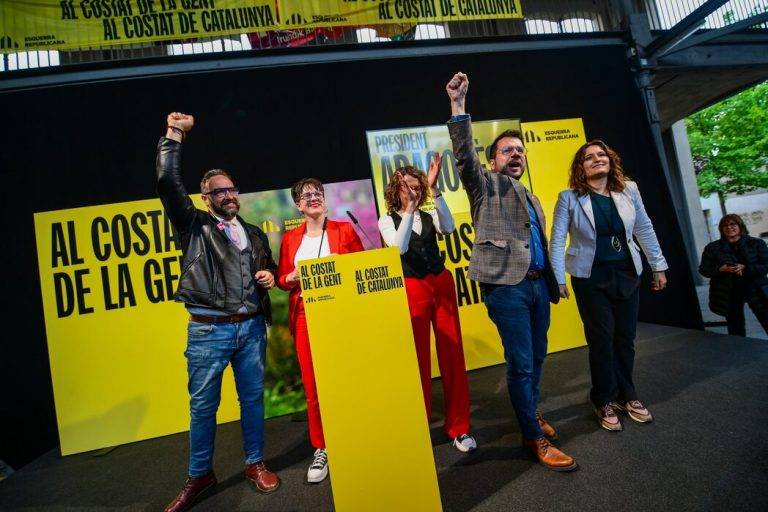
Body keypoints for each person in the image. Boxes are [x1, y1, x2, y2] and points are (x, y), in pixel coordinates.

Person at [445, 72, 576, 471]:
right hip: (508, 289)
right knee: (520, 362)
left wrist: (558, 279)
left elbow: (542, 242)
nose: (515, 154)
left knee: (536, 358)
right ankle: (533, 437)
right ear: (493, 160)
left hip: (539, 287)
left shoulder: (533, 197)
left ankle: (530, 412)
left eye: (520, 150)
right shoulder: (485, 186)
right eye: (506, 151)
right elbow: (465, 156)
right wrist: (458, 106)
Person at [157, 113, 281, 512]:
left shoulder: (255, 232)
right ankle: (199, 476)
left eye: (231, 189)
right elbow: (166, 183)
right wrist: (174, 136)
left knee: (253, 400)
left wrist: (270, 276)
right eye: (219, 191)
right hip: (208, 333)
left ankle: (254, 463)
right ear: (205, 197)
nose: (228, 195)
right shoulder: (192, 225)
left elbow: (272, 271)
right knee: (203, 408)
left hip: (251, 331)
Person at [549, 139, 668, 432]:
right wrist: (558, 277)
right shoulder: (569, 197)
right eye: (589, 157)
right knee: (602, 340)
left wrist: (658, 265)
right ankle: (603, 399)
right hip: (590, 277)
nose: (596, 159)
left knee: (625, 338)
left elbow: (644, 227)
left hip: (627, 272)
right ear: (581, 167)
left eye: (601, 154)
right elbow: (557, 239)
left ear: (610, 160)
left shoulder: (630, 189)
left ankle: (628, 395)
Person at [378, 155, 476, 453]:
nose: (413, 190)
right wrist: (408, 210)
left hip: (441, 283)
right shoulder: (386, 220)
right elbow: (398, 248)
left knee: (452, 354)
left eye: (416, 185)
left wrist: (435, 191)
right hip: (412, 288)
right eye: (406, 186)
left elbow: (448, 227)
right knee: (418, 359)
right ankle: (420, 425)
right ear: (396, 191)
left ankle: (459, 427)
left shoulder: (430, 213)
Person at [276, 178, 364, 483]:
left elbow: (361, 269)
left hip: (341, 314)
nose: (313, 198)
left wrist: (344, 264)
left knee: (347, 379)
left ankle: (353, 438)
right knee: (314, 387)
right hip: (306, 315)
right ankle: (321, 446)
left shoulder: (345, 230)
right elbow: (281, 279)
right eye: (306, 195)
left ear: (324, 200)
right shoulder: (290, 239)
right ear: (298, 205)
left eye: (317, 193)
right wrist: (293, 276)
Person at [699, 214, 768, 336]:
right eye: (725, 225)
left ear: (740, 226)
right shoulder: (713, 248)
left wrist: (746, 268)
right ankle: (739, 352)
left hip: (756, 289)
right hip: (729, 292)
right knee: (735, 327)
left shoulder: (756, 243)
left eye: (733, 224)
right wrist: (720, 269)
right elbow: (704, 270)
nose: (729, 227)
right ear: (721, 229)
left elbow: (765, 265)